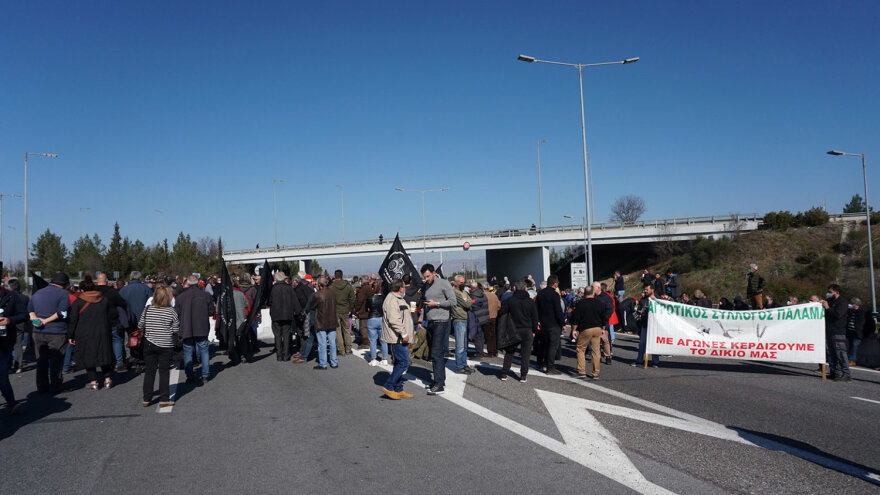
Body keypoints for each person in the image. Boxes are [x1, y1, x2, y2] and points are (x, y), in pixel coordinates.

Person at [68, 275, 115, 390]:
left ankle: (93, 381)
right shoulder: (104, 299)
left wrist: (71, 335)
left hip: (84, 333)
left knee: (88, 356)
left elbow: (73, 320)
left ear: (82, 290)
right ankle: (107, 379)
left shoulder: (79, 302)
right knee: (104, 354)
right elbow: (112, 315)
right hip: (103, 331)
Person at [28, 272, 72, 394]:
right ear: (64, 284)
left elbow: (30, 311)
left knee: (41, 360)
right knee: (56, 361)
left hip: (38, 332)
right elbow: (61, 312)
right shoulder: (63, 294)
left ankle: (42, 386)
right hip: (57, 331)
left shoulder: (38, 293)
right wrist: (46, 321)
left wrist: (37, 321)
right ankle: (55, 385)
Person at [139, 285, 179, 407]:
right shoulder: (171, 311)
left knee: (150, 371)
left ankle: (147, 398)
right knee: (164, 372)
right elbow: (176, 329)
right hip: (166, 344)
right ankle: (164, 398)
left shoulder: (148, 309)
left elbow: (140, 324)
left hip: (150, 342)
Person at [421, 264, 457, 396]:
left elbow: (453, 302)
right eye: (424, 277)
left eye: (428, 276)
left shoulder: (443, 283)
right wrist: (422, 319)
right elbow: (425, 304)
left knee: (437, 353)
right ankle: (438, 380)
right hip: (430, 322)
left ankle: (439, 384)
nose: (426, 279)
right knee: (433, 353)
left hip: (441, 321)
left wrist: (437, 304)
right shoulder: (426, 285)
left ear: (434, 273)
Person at [497, 280, 538, 383]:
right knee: (526, 354)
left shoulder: (510, 300)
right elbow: (535, 318)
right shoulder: (530, 301)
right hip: (527, 330)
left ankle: (504, 373)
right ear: (525, 289)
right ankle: (523, 375)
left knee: (509, 352)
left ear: (514, 288)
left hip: (513, 329)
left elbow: (502, 312)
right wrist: (534, 330)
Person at [176, 275, 214, 384]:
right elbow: (211, 311)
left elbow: (176, 313)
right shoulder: (205, 295)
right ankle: (205, 375)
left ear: (187, 283)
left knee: (188, 351)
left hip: (186, 327)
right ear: (198, 283)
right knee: (204, 350)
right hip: (201, 326)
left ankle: (190, 376)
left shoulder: (181, 297)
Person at [381, 279, 414, 399]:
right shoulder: (392, 300)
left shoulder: (398, 299)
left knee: (399, 362)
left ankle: (398, 388)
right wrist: (404, 334)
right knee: (404, 362)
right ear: (400, 288)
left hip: (400, 337)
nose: (405, 288)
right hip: (397, 337)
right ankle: (389, 386)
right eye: (404, 287)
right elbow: (394, 320)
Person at [0, 280, 28, 414]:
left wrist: (9, 320)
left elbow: (24, 315)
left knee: (2, 375)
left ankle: (11, 402)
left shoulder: (12, 296)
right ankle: (11, 402)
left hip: (4, 342)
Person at [119, 270, 153, 372]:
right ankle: (142, 360)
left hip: (129, 320)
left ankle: (135, 359)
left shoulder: (123, 290)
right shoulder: (146, 288)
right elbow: (152, 303)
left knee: (132, 340)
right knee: (144, 341)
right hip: (144, 319)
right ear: (139, 278)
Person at [95, 273, 128, 373]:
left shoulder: (93, 292)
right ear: (107, 280)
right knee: (116, 341)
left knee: (102, 343)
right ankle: (118, 363)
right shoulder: (111, 291)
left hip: (97, 322)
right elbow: (122, 302)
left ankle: (104, 362)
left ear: (97, 280)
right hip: (112, 320)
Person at [571, 285, 605, 379]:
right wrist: (603, 328)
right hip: (597, 328)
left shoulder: (581, 304)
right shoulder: (599, 303)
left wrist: (574, 329)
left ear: (584, 294)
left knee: (581, 349)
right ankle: (595, 373)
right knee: (596, 350)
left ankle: (582, 371)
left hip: (585, 329)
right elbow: (604, 317)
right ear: (593, 293)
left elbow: (576, 318)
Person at [268, 271, 301, 361]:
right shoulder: (289, 288)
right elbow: (295, 302)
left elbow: (269, 302)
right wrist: (299, 312)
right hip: (287, 315)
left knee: (277, 336)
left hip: (276, 315)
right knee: (286, 335)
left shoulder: (273, 288)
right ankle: (286, 355)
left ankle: (279, 356)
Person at [536, 275, 564, 374]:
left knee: (546, 344)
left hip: (543, 323)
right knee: (553, 346)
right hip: (553, 324)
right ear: (555, 284)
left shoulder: (540, 293)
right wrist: (563, 323)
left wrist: (538, 321)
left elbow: (537, 309)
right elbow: (558, 311)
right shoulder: (555, 295)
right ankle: (550, 367)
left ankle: (544, 363)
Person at [822, 284, 850, 382]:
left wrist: (828, 308)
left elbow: (837, 315)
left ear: (837, 292)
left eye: (830, 292)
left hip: (838, 332)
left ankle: (846, 374)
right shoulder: (830, 301)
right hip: (829, 331)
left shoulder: (842, 303)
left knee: (841, 353)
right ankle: (836, 373)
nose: (828, 294)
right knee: (832, 354)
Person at [309, 276, 338, 370]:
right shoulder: (333, 293)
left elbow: (312, 306)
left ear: (320, 285)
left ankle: (323, 364)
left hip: (321, 321)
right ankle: (334, 362)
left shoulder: (318, 295)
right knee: (332, 343)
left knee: (322, 344)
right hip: (332, 320)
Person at [451, 275, 474, 375]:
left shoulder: (464, 292)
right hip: (459, 320)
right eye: (461, 282)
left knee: (465, 345)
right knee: (460, 346)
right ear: (455, 282)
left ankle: (464, 364)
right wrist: (468, 302)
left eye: (464, 282)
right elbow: (467, 304)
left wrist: (469, 302)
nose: (463, 284)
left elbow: (471, 301)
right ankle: (459, 366)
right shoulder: (455, 293)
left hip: (465, 319)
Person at [7, 279, 31, 374]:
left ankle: (8, 365)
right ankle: (18, 365)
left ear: (10, 287)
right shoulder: (25, 297)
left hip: (9, 323)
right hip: (20, 324)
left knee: (8, 346)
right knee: (18, 345)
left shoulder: (8, 297)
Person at [330, 270, 355, 355]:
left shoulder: (331, 287)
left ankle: (341, 349)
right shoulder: (348, 286)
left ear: (334, 276)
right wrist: (350, 309)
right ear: (342, 276)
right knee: (346, 330)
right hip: (345, 310)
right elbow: (352, 298)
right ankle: (348, 348)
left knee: (337, 330)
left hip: (335, 310)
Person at [633, 286, 659, 367]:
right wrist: (638, 309)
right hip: (644, 324)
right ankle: (639, 360)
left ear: (652, 290)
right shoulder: (643, 299)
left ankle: (655, 362)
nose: (645, 291)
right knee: (642, 343)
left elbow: (664, 308)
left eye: (647, 289)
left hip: (655, 326)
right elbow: (636, 308)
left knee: (654, 344)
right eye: (644, 289)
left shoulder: (657, 298)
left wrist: (656, 300)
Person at [365, 284, 388, 366]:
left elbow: (367, 309)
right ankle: (385, 359)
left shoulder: (369, 298)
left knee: (372, 340)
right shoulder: (384, 297)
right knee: (383, 340)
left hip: (372, 318)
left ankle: (373, 359)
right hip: (381, 318)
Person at [593, 282, 615, 365]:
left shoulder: (606, 297)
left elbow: (610, 309)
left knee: (605, 340)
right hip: (594, 322)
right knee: (595, 340)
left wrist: (605, 318)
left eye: (593, 287)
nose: (592, 289)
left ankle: (608, 356)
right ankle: (596, 356)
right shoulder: (593, 297)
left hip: (603, 322)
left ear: (598, 288)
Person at [469, 282, 490, 358]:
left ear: (471, 288)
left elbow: (472, 306)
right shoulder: (483, 294)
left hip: (476, 318)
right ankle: (481, 351)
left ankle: (479, 353)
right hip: (484, 317)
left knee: (476, 336)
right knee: (481, 336)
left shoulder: (472, 296)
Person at [354, 277, 374, 350]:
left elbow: (360, 300)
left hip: (363, 311)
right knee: (368, 327)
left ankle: (366, 343)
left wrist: (356, 309)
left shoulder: (364, 289)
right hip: (369, 311)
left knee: (363, 328)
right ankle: (370, 341)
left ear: (362, 282)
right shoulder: (370, 288)